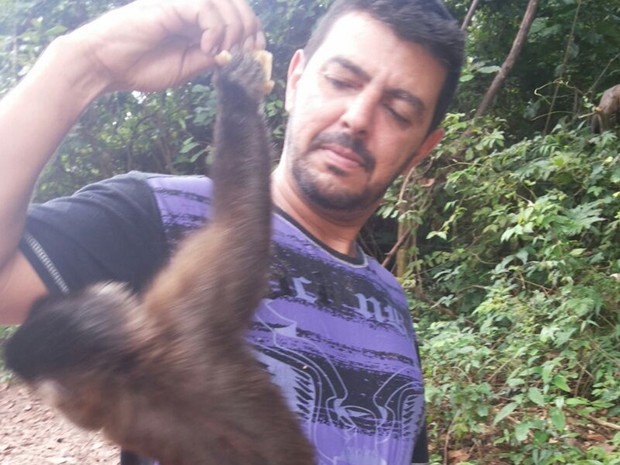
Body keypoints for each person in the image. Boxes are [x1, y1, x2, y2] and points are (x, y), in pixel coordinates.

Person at [0, 0, 464, 463]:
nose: (358, 118)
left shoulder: (389, 300)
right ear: (294, 79)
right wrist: (81, 63)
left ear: (423, 147)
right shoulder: (154, 217)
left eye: (399, 112)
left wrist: (240, 110)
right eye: (342, 81)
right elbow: (239, 227)